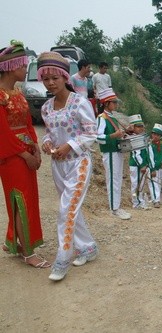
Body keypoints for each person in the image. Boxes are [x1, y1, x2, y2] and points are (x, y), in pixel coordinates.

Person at [37, 51, 98, 281]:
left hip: (78, 163)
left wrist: (70, 145)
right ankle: (88, 247)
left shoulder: (80, 103)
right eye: (46, 79)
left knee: (66, 209)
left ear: (65, 78)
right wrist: (47, 143)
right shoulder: (46, 108)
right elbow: (49, 134)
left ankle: (62, 259)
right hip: (57, 166)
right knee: (72, 208)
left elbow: (91, 132)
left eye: (55, 78)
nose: (51, 83)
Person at [0, 40, 49, 268]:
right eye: (23, 65)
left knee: (28, 199)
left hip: (25, 153)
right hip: (11, 157)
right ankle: (28, 253)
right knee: (21, 200)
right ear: (11, 66)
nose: (25, 69)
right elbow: (3, 133)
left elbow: (28, 123)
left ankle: (17, 241)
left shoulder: (17, 94)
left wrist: (36, 148)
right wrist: (24, 154)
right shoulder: (1, 96)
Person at [96, 88, 131, 220]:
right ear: (106, 103)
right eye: (114, 102)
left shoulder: (112, 117)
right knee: (112, 180)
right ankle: (114, 209)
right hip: (109, 152)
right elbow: (98, 137)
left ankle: (117, 206)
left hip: (117, 151)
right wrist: (113, 135)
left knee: (117, 180)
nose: (116, 105)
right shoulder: (102, 118)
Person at [128, 114, 151, 210]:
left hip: (142, 165)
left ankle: (140, 201)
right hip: (136, 165)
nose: (140, 128)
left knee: (141, 184)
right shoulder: (132, 138)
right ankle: (135, 203)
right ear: (133, 127)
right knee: (135, 184)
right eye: (138, 126)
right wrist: (142, 165)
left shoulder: (141, 137)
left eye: (141, 126)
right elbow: (136, 154)